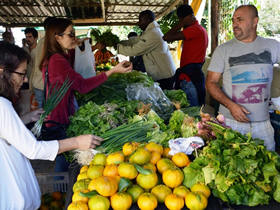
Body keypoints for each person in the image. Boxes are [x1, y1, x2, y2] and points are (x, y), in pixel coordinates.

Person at [0, 41, 103, 209]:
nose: (25, 80)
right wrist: (76, 142)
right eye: (21, 74)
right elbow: (33, 149)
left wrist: (25, 118)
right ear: (3, 73)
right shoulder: (2, 105)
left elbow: (6, 131)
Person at [40, 18, 132, 171]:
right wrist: (112, 71)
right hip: (59, 116)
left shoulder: (53, 57)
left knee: (63, 156)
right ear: (57, 37)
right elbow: (82, 86)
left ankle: (61, 190)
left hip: (55, 114)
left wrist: (74, 47)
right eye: (71, 34)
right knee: (64, 159)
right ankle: (61, 191)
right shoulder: (57, 61)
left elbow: (67, 69)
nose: (74, 37)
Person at [206, 5, 280, 151]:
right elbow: (211, 83)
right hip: (230, 123)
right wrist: (231, 105)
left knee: (268, 168)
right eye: (233, 20)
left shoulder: (272, 46)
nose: (234, 24)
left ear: (255, 21)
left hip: (263, 123)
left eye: (239, 19)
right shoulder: (223, 50)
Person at [117, 10, 176, 90]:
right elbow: (136, 40)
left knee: (166, 99)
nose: (138, 23)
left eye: (140, 20)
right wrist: (120, 43)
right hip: (161, 74)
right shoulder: (149, 32)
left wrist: (118, 47)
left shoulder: (153, 33)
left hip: (164, 76)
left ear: (148, 20)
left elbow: (135, 50)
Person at [163, 4, 208, 106]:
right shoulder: (200, 29)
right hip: (193, 75)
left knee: (192, 113)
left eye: (180, 19)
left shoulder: (194, 29)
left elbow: (166, 37)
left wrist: (181, 24)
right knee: (195, 111)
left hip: (190, 78)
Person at [31, 17, 56, 108]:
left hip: (39, 83)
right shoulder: (50, 42)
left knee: (40, 113)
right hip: (45, 84)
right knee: (46, 113)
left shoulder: (42, 41)